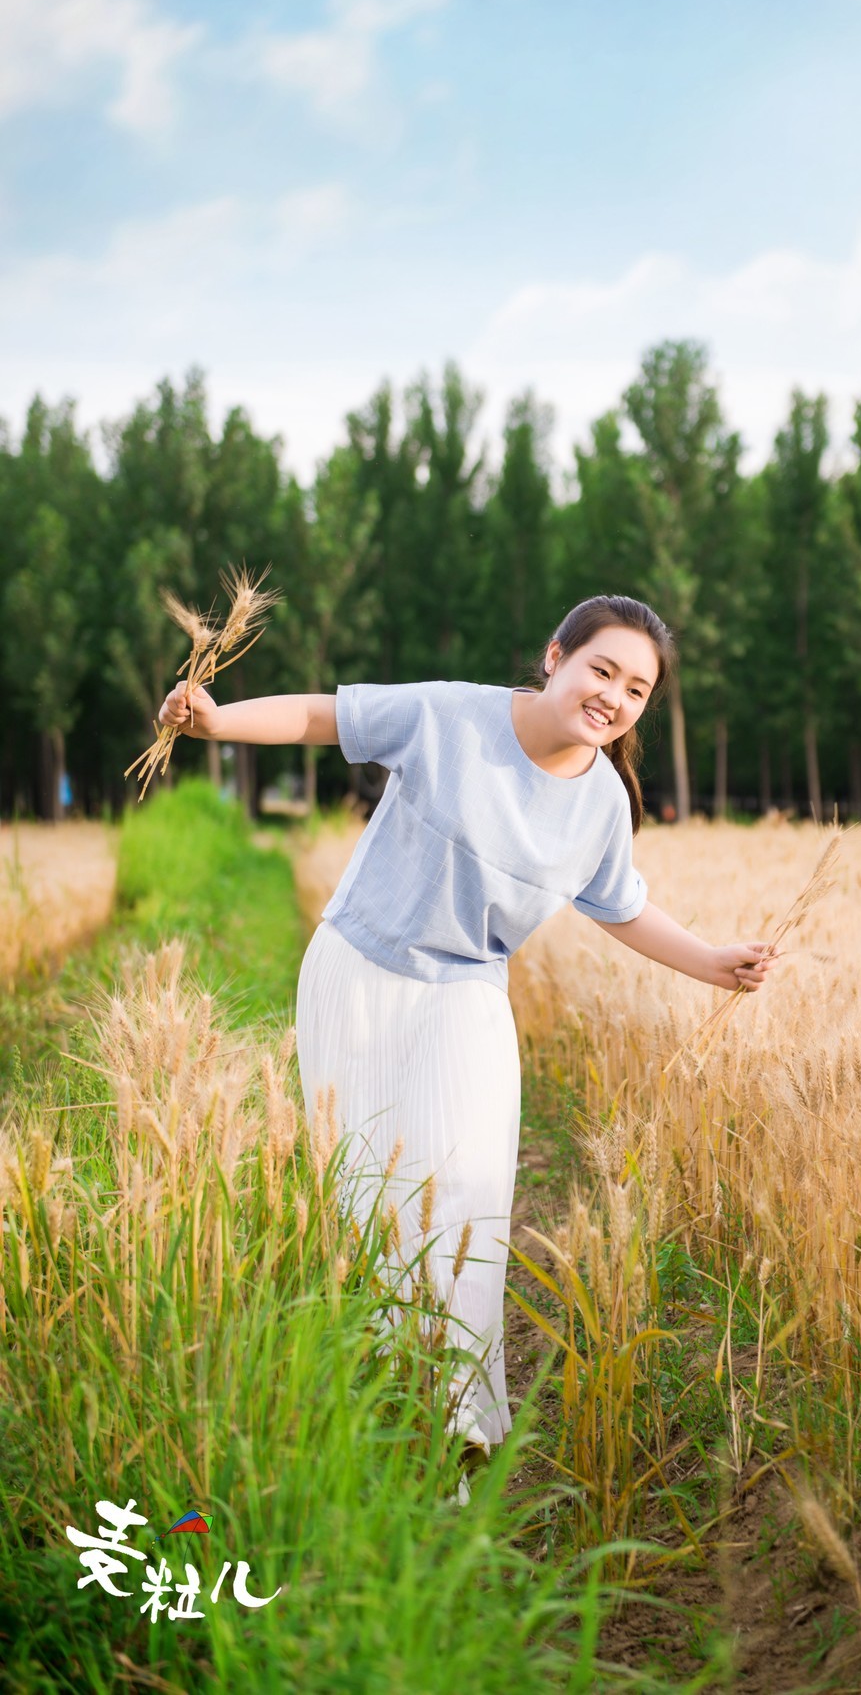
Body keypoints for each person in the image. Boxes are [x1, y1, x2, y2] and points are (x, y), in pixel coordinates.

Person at [157, 594, 778, 1461]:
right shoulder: (451, 714)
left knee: (469, 1203)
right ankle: (377, 1409)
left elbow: (621, 905)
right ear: (555, 655)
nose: (613, 696)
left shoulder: (601, 803)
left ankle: (455, 1431)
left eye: (636, 690)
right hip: (358, 974)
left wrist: (713, 961)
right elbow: (322, 717)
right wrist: (217, 724)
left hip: (466, 999)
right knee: (365, 1199)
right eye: (603, 669)